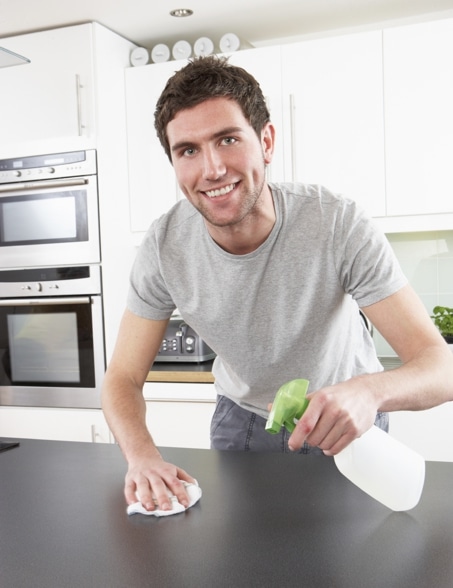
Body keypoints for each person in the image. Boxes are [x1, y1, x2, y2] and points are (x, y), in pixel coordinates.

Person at [101, 56, 453, 513]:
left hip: (346, 420)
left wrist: (369, 392)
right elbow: (122, 378)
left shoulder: (336, 222)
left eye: (227, 140)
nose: (211, 169)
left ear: (266, 141)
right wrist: (142, 457)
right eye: (187, 150)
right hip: (240, 419)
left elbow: (440, 367)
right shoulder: (164, 246)